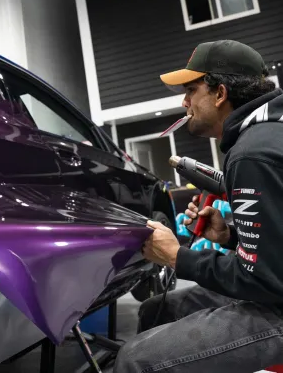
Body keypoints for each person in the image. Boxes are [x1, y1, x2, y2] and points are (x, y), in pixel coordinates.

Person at [114, 40, 283, 372]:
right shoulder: (265, 135)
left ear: (220, 94)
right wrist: (230, 237)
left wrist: (178, 257)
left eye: (191, 90)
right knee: (154, 310)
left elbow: (266, 280)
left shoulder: (253, 153)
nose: (184, 101)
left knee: (135, 359)